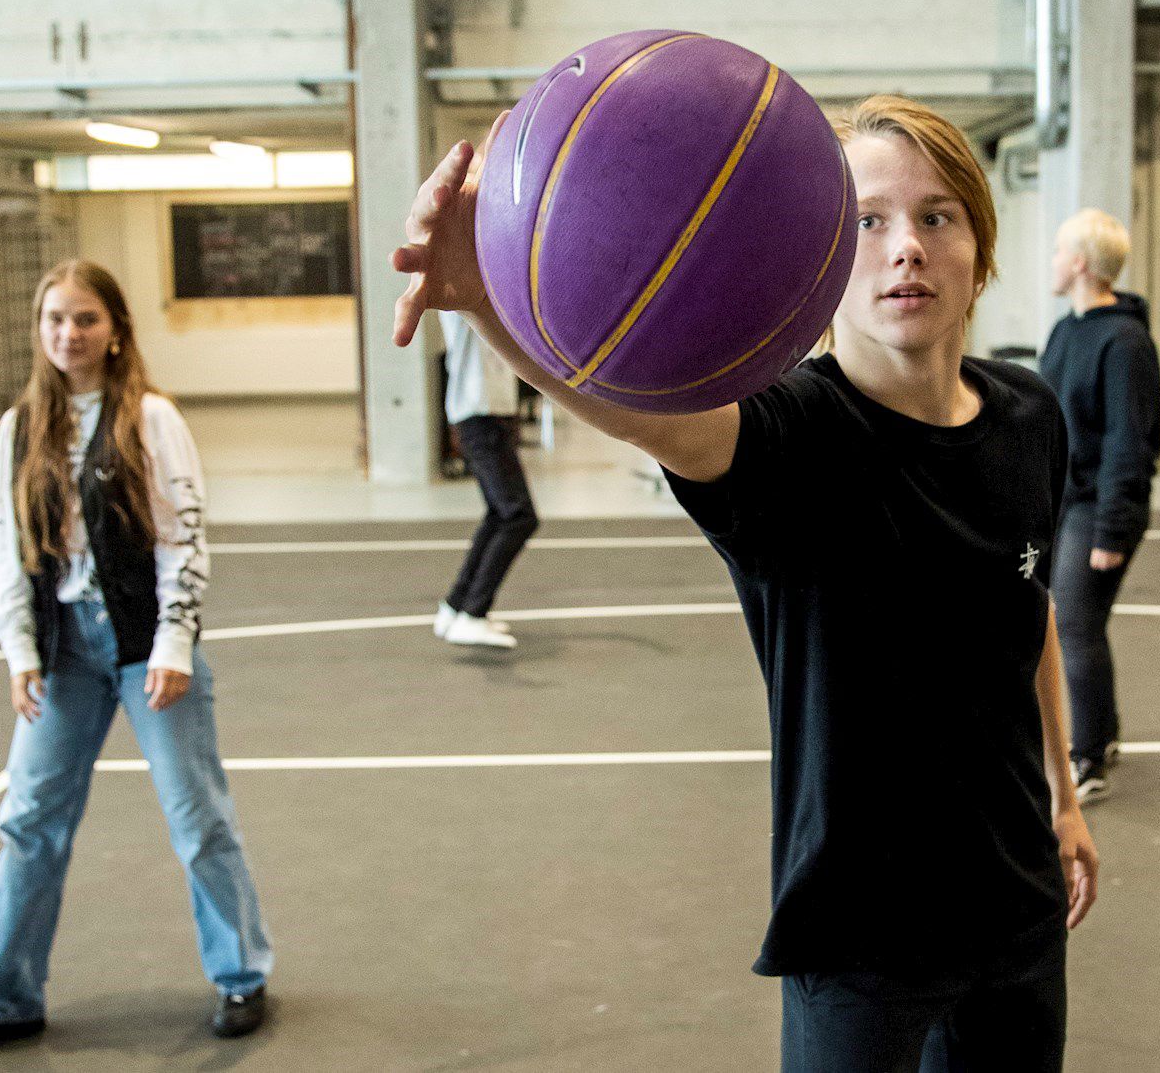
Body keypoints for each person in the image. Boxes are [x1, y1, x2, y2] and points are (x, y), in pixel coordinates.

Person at [392, 95, 1098, 1072]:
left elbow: (1029, 611)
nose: (905, 246)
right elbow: (635, 409)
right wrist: (488, 297)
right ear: (818, 259)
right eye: (867, 221)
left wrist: (1064, 796)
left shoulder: (1029, 413)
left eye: (936, 216)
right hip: (858, 937)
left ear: (978, 250)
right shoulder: (788, 434)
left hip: (1016, 911)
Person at [0, 261, 273, 1061]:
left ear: (116, 328)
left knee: (197, 818)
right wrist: (19, 649)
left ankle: (241, 975)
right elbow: (8, 542)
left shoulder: (152, 417)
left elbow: (184, 535)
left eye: (85, 318)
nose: (69, 333)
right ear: (39, 329)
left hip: (143, 645)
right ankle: (1, 999)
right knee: (29, 823)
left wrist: (175, 641)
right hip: (63, 652)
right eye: (55, 318)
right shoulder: (19, 427)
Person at [1039, 210, 1160, 806]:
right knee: (1080, 622)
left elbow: (1127, 442)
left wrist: (1111, 530)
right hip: (1066, 500)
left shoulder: (1125, 342)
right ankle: (1104, 735)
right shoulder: (1066, 331)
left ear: (1081, 263)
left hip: (1100, 506)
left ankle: (1085, 759)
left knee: (1074, 624)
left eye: (1059, 251)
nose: (1052, 260)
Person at [433, 310, 537, 649]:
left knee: (499, 514)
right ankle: (472, 614)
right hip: (480, 416)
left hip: (484, 416)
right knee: (518, 516)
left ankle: (455, 607)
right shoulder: (466, 299)